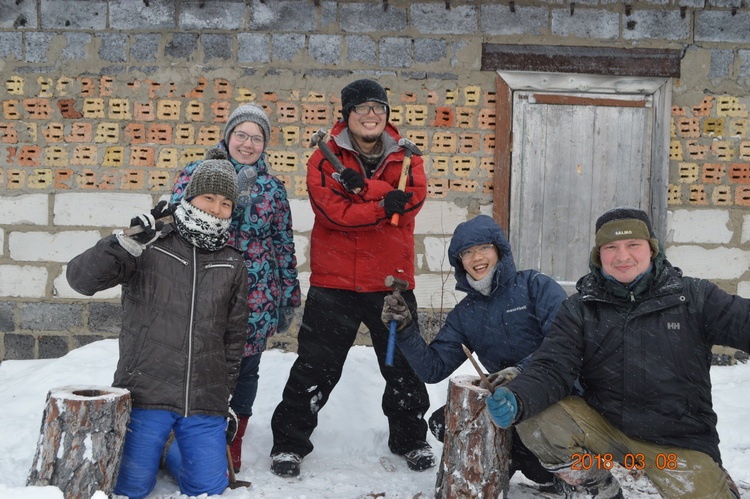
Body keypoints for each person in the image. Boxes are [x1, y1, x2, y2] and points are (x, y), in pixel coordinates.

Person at [484, 207, 746, 499]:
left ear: (651, 248)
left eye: (633, 244)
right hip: (606, 431)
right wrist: (519, 397)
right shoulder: (581, 308)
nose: (622, 257)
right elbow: (552, 366)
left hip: (676, 444)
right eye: (611, 247)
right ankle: (599, 488)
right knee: (538, 418)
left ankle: (714, 480)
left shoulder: (693, 298)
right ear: (599, 255)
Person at [269, 78, 433, 477]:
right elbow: (333, 214)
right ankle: (289, 444)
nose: (370, 115)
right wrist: (382, 200)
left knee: (403, 369)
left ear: (387, 115)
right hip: (335, 284)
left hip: (391, 284)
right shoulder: (323, 159)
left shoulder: (407, 158)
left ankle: (411, 440)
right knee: (314, 368)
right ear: (347, 115)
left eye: (378, 107)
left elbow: (409, 205)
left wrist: (363, 193)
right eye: (362, 108)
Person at [66, 151, 248, 498]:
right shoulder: (150, 245)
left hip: (203, 400)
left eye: (225, 203)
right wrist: (124, 243)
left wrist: (222, 394)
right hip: (145, 393)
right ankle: (163, 450)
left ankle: (173, 452)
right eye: (208, 197)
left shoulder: (232, 262)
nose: (216, 208)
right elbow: (80, 280)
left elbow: (234, 335)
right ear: (190, 198)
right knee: (131, 487)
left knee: (208, 489)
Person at [381, 213, 569, 493]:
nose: (476, 257)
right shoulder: (466, 313)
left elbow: (563, 344)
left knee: (541, 461)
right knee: (445, 422)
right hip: (506, 400)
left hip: (555, 393)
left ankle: (558, 468)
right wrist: (406, 330)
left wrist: (520, 371)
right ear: (460, 262)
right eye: (466, 252)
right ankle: (505, 461)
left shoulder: (536, 286)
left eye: (484, 247)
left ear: (499, 250)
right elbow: (432, 369)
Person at [171, 103, 301, 473]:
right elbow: (176, 223)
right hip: (205, 286)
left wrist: (288, 296)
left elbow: (283, 243)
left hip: (256, 293)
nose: (247, 144)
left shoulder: (273, 188)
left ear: (265, 144)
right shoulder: (197, 172)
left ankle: (234, 440)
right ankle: (196, 437)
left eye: (256, 138)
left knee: (245, 368)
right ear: (228, 135)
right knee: (201, 364)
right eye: (241, 134)